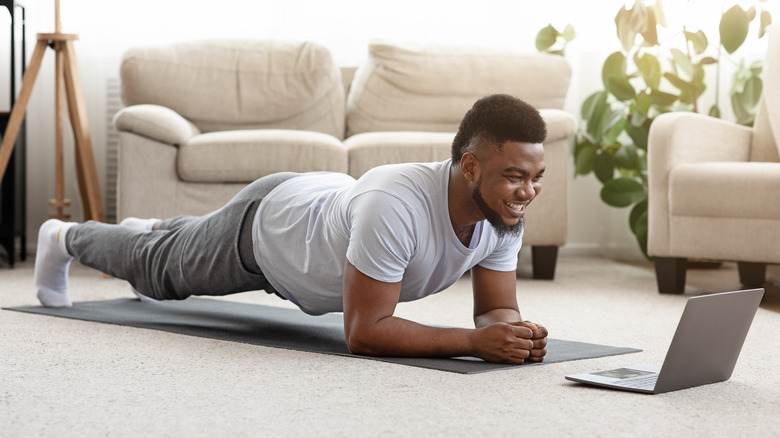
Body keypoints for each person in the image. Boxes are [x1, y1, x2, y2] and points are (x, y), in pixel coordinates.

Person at [34, 93, 549, 365]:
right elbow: (364, 333)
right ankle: (62, 237)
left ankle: (156, 228)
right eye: (514, 176)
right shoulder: (396, 204)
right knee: (157, 274)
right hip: (267, 232)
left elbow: (494, 309)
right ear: (469, 167)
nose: (526, 191)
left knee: (174, 243)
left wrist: (512, 333)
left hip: (317, 208)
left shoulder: (501, 212)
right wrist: (474, 343)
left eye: (535, 178)